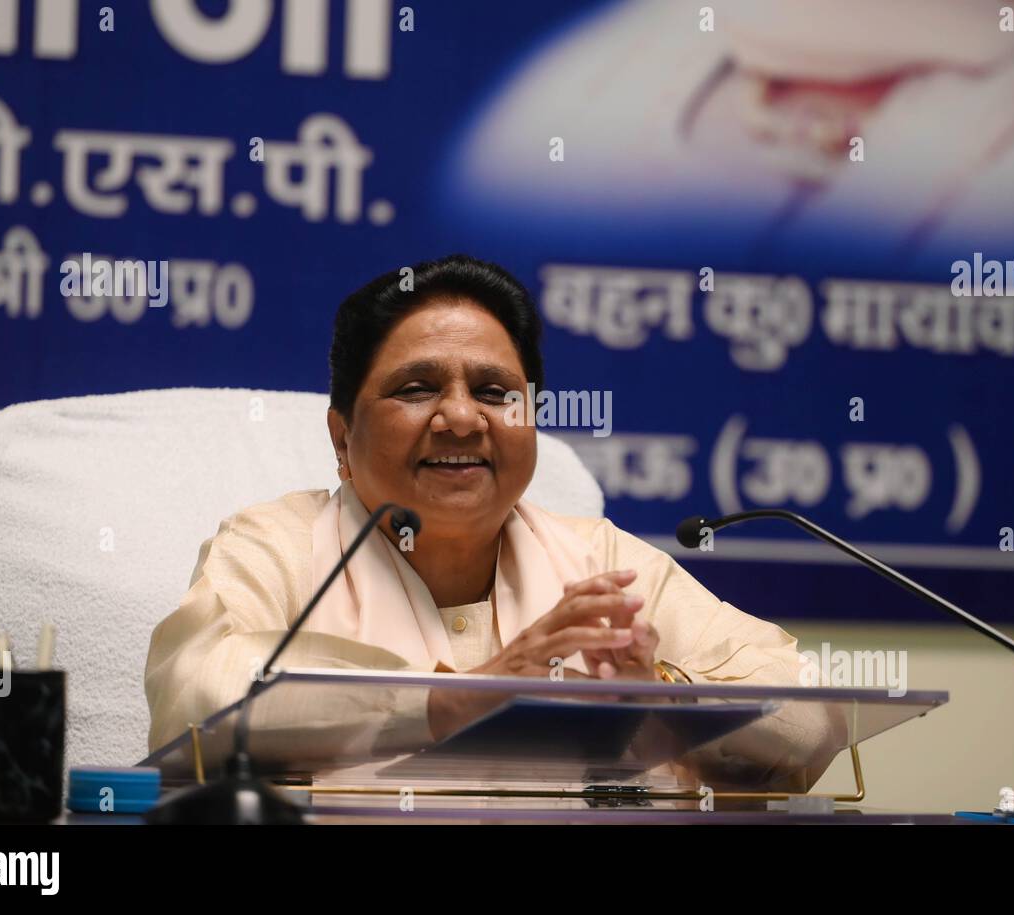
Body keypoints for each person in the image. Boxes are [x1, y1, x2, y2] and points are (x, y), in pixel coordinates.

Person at [144, 254, 841, 791]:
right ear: (340, 439)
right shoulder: (280, 544)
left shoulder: (602, 566)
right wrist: (456, 699)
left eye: (494, 391)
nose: (460, 417)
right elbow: (200, 702)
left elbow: (811, 718)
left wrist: (661, 697)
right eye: (417, 388)